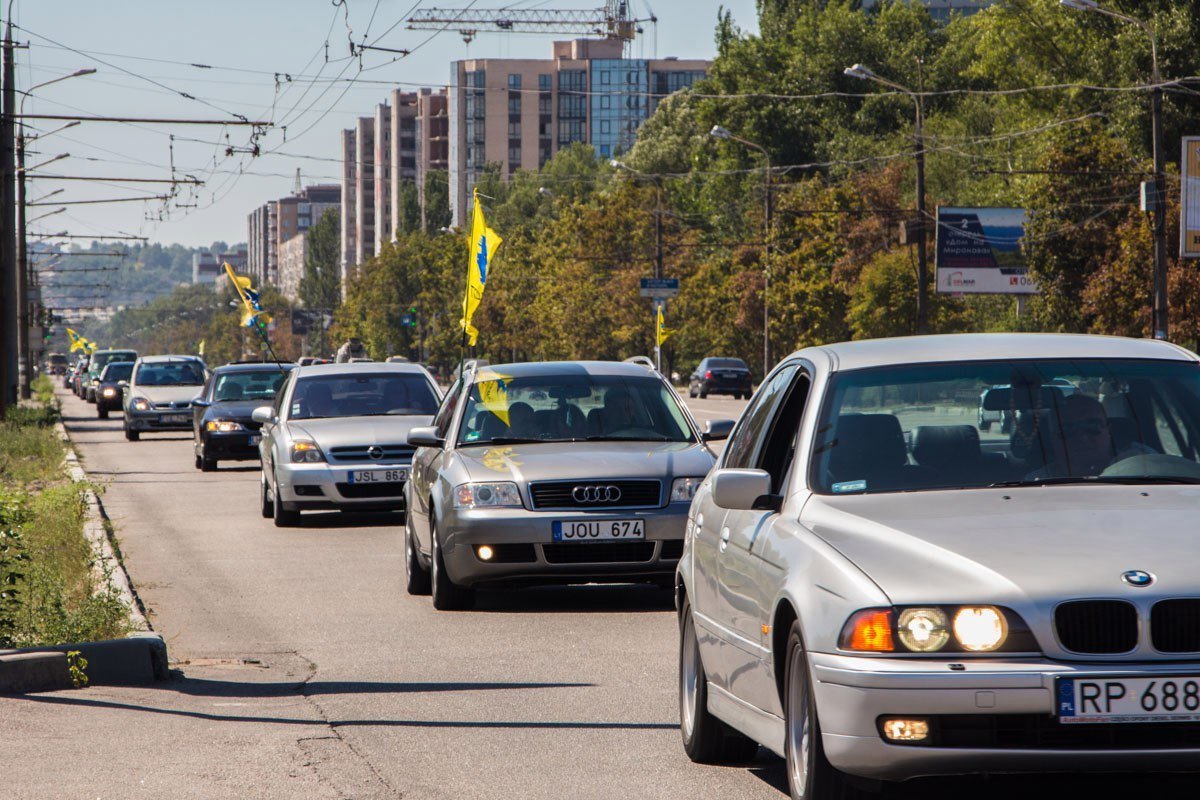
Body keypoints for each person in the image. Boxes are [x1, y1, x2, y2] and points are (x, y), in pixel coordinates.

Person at [1026, 394, 1153, 479]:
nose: (1081, 437)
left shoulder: (1142, 463)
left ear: (1108, 431)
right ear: (1052, 438)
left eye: (1093, 427)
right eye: (1066, 430)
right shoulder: (1036, 482)